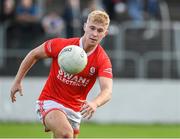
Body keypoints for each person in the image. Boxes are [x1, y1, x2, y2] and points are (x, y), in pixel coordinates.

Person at [10, 10, 113, 138]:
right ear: (85, 26)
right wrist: (17, 81)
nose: (94, 33)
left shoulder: (102, 59)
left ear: (105, 33)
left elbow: (107, 90)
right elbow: (34, 54)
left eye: (99, 30)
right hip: (50, 101)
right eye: (92, 28)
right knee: (65, 134)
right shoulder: (63, 45)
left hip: (75, 111)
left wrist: (94, 103)